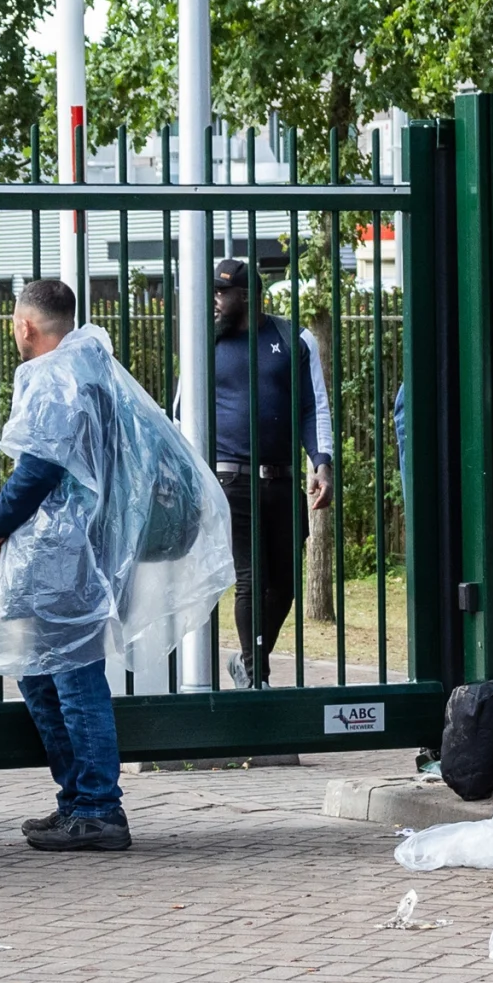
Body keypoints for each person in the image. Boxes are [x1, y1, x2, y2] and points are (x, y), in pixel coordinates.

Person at [0, 279, 189, 853]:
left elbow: (39, 466)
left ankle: (99, 806)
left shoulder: (56, 376)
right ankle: (78, 798)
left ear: (26, 325)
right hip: (75, 548)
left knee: (73, 679)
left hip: (62, 555)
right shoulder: (92, 370)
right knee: (44, 672)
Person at [205, 258, 331, 686]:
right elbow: (185, 410)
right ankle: (256, 679)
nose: (214, 301)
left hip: (280, 479)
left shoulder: (293, 338)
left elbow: (314, 406)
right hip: (229, 479)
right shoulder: (207, 343)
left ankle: (247, 660)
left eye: (222, 293)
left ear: (246, 296)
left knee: (285, 585)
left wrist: (322, 462)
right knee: (250, 580)